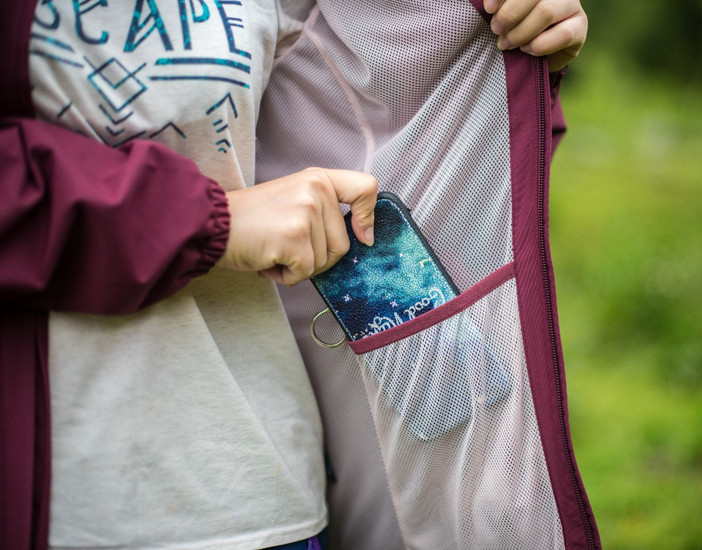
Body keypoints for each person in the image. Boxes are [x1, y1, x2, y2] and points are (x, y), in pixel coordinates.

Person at [0, 1, 586, 550]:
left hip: (275, 499)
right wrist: (209, 221)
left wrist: (505, 49)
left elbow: (389, 120)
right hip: (72, 504)